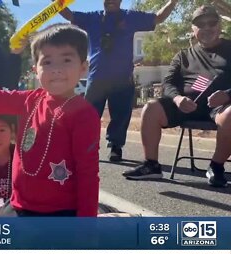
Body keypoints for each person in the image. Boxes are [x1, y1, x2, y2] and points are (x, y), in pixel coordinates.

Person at [0, 23, 101, 220]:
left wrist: (86, 227)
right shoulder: (29, 100)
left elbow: (88, 174)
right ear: (35, 70)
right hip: (19, 205)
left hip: (61, 213)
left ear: (83, 68)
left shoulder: (84, 114)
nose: (56, 69)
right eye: (47, 62)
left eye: (66, 60)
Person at [123, 5, 231, 188]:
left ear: (219, 25)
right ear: (193, 29)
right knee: (150, 108)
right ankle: (152, 165)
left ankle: (216, 166)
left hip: (221, 108)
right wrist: (177, 99)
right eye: (200, 24)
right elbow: (168, 83)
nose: (206, 28)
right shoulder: (183, 56)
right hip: (185, 106)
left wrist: (228, 95)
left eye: (211, 23)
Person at [57, 0, 178, 162]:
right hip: (97, 78)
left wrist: (173, 2)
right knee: (87, 116)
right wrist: (55, 3)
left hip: (122, 79)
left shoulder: (130, 17)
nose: (111, 1)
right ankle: (83, 146)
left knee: (121, 115)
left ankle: (115, 146)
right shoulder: (92, 18)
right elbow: (69, 15)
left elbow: (159, 17)